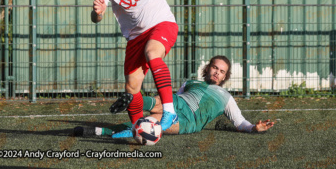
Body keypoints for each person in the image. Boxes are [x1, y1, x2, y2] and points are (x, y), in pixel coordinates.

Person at [92, 0, 233, 132]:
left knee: (152, 53)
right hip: (135, 38)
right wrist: (98, 13)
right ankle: (137, 128)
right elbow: (96, 18)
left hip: (162, 24)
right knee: (132, 88)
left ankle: (169, 111)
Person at [74, 55, 274, 138]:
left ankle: (101, 130)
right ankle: (133, 100)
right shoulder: (191, 83)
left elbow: (240, 122)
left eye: (222, 71)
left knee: (145, 125)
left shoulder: (226, 97)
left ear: (224, 77)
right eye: (215, 67)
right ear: (208, 68)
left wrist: (254, 128)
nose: (217, 73)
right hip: (177, 103)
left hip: (189, 121)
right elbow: (172, 100)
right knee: (166, 100)